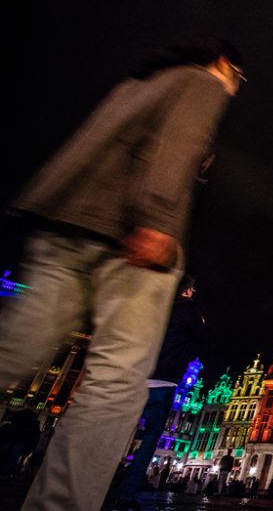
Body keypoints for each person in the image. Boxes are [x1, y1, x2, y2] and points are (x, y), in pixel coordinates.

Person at [0, 37, 243, 511]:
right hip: (129, 241)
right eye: (238, 75)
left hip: (64, 221)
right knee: (114, 387)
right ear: (221, 62)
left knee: (13, 349)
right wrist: (157, 217)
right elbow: (181, 141)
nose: (235, 87)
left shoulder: (139, 82)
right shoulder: (202, 81)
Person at [114, 275, 207, 509]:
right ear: (186, 291)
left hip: (135, 376)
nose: (193, 293)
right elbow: (202, 337)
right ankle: (127, 492)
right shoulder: (189, 309)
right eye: (192, 289)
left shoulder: (153, 305)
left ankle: (97, 482)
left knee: (116, 432)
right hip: (163, 381)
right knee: (150, 439)